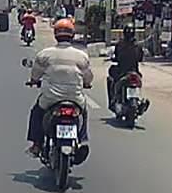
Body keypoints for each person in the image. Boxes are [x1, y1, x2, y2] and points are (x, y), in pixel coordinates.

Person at [26, 18, 93, 157]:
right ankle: (82, 139)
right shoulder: (81, 56)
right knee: (84, 112)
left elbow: (36, 74)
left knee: (36, 112)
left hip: (50, 98)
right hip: (75, 98)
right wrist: (86, 84)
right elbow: (88, 77)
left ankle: (37, 145)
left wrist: (33, 81)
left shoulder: (45, 54)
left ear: (56, 34)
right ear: (72, 34)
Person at [107, 27, 144, 100]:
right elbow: (140, 58)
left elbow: (117, 56)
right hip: (134, 71)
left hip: (122, 71)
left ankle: (113, 98)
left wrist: (114, 59)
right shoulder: (138, 45)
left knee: (111, 74)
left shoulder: (120, 44)